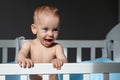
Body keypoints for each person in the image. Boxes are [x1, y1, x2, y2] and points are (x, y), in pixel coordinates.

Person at [17, 4, 67, 80]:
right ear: (34, 29)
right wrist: (23, 59)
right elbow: (21, 54)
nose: (50, 34)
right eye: (45, 29)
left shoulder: (57, 47)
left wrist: (59, 61)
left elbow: (64, 60)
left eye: (55, 30)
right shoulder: (29, 45)